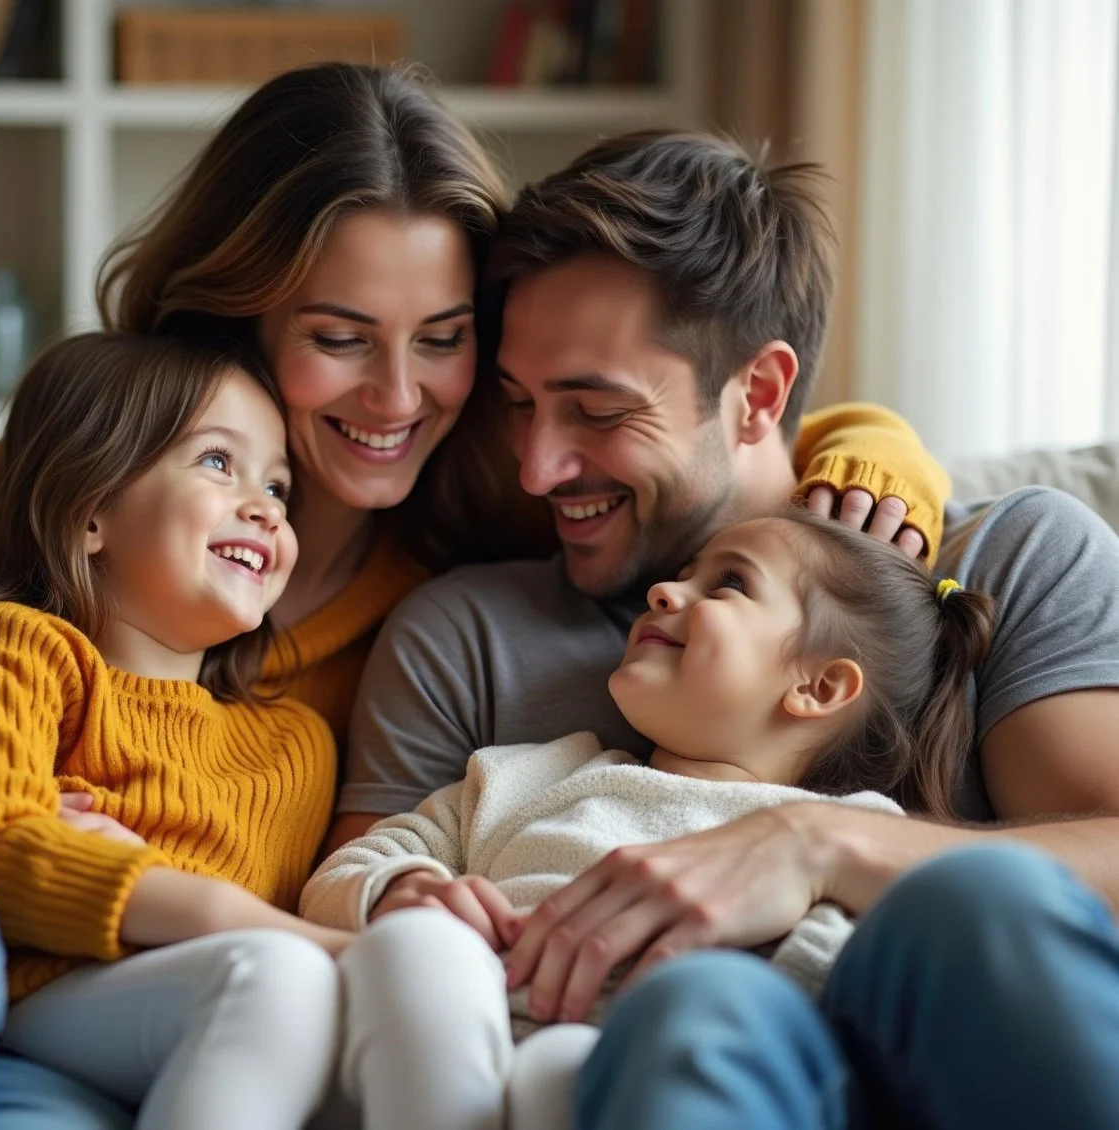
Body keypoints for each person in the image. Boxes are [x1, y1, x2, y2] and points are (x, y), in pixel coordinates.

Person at [0, 69, 946, 1128]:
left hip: (91, 1038)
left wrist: (873, 450)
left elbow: (713, 433)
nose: (395, 396)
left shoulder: (457, 551)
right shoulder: (73, 492)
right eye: (336, 337)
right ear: (239, 320)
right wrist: (6, 837)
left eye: (442, 341)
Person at [341, 129, 1119, 1129]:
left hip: (956, 1036)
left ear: (757, 392)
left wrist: (810, 841)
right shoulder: (465, 637)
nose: (536, 468)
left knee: (971, 901)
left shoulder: (1007, 556)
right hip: (676, 1063)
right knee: (693, 1008)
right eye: (519, 405)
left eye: (595, 408)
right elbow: (370, 948)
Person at [301, 510, 992, 1130]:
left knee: (562, 1068)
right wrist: (401, 888)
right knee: (416, 949)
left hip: (646, 1075)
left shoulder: (848, 840)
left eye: (729, 585)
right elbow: (349, 869)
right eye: (682, 574)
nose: (664, 591)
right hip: (448, 1035)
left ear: (819, 686)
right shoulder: (522, 774)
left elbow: (848, 1002)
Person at [0, 331, 352, 1129]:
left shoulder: (295, 745)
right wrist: (240, 921)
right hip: (22, 988)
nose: (264, 505)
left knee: (288, 984)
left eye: (280, 488)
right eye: (219, 462)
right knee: (280, 974)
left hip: (180, 1023)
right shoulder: (20, 646)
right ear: (91, 515)